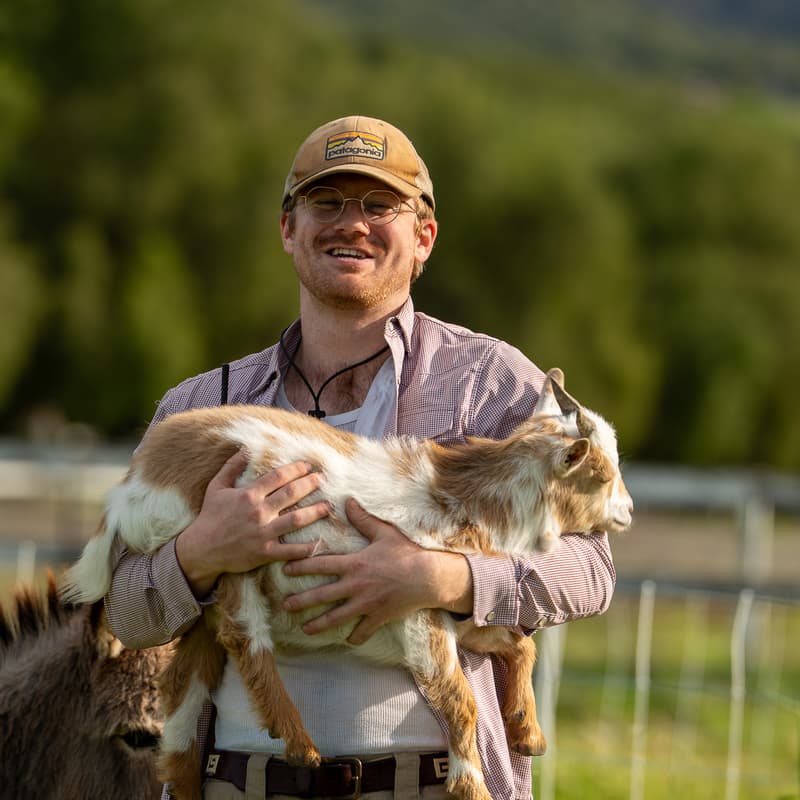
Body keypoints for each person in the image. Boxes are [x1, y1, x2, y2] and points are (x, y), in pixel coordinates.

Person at [105, 115, 616, 800]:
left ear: (424, 237)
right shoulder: (204, 410)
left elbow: (590, 570)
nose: (353, 223)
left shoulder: (493, 384)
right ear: (288, 229)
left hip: (426, 783)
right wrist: (200, 551)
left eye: (381, 206)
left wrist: (442, 577)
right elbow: (125, 613)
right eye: (327, 203)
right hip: (239, 781)